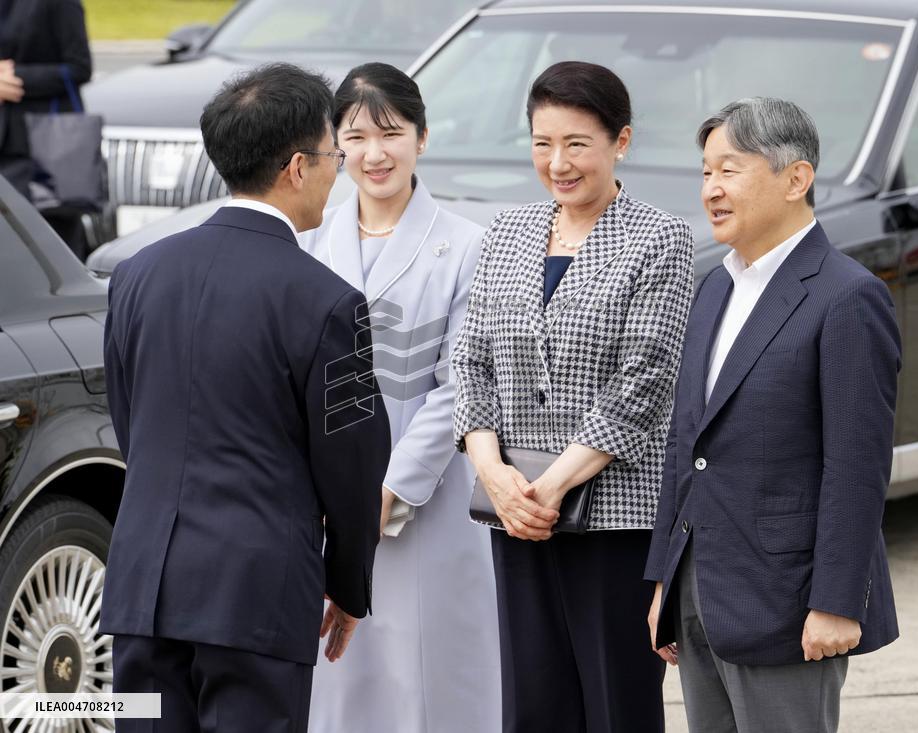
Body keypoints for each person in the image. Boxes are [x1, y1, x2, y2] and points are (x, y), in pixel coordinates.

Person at [100, 63, 392, 732]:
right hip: (254, 599)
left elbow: (131, 421)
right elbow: (351, 466)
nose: (337, 172)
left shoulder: (137, 276)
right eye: (332, 156)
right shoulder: (327, 303)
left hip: (140, 589)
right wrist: (349, 585)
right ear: (297, 167)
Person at [451, 61, 694, 732]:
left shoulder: (660, 238)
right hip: (515, 514)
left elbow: (643, 382)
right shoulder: (505, 232)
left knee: (616, 703)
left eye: (577, 144)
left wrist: (548, 487)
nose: (558, 162)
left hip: (614, 516)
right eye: (542, 143)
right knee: (532, 702)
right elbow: (471, 361)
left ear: (621, 142)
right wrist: (494, 474)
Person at [645, 97, 901, 733]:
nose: (711, 190)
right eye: (705, 173)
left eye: (729, 170)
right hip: (703, 594)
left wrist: (838, 603)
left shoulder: (847, 296)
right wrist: (663, 584)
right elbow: (686, 445)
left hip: (790, 603)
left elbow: (856, 463)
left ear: (796, 178)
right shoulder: (716, 286)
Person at [299, 61, 502, 733]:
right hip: (322, 502)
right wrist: (334, 499)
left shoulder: (469, 246)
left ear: (422, 135)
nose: (374, 153)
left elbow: (459, 385)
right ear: (334, 146)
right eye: (355, 136)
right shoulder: (308, 245)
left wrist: (384, 492)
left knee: (426, 680)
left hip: (426, 502)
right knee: (337, 685)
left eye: (391, 132)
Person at [0, 0, 93, 259]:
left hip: (47, 148)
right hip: (6, 146)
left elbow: (80, 67)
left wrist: (18, 77)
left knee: (51, 246)